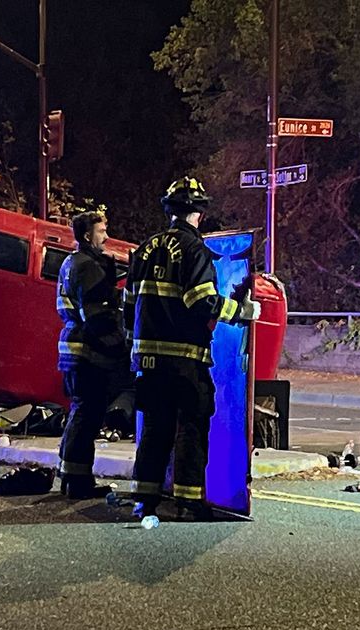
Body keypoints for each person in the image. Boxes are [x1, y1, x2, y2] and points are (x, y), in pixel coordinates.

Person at [123, 177, 260, 519]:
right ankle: (188, 501)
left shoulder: (145, 248)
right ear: (198, 213)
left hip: (148, 362)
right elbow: (201, 302)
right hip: (185, 360)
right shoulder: (194, 250)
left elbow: (127, 305)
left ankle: (145, 499)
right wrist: (241, 311)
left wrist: (135, 350)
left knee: (154, 430)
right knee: (192, 428)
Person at [56, 210, 128, 499]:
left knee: (81, 412)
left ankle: (71, 476)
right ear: (87, 236)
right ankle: (78, 483)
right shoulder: (87, 266)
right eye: (101, 231)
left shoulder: (71, 262)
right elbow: (98, 316)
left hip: (73, 348)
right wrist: (120, 345)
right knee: (88, 414)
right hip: (88, 352)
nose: (106, 236)